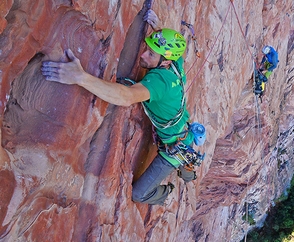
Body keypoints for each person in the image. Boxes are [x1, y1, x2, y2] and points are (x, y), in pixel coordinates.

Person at [41, 10, 200, 205]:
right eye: (147, 48)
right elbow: (171, 46)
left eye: (150, 53)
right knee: (188, 163)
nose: (143, 54)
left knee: (139, 195)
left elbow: (126, 97)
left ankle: (167, 193)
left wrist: (80, 78)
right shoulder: (175, 62)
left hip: (172, 150)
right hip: (184, 131)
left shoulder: (159, 83)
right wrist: (157, 28)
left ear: (165, 61)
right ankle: (188, 172)